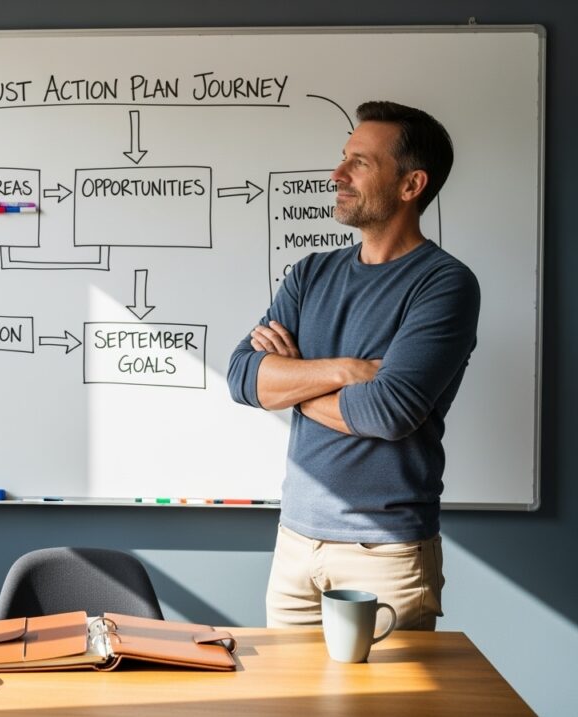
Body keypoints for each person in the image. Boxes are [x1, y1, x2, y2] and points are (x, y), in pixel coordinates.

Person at [227, 101, 480, 630]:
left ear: (411, 186)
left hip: (384, 552)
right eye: (343, 158)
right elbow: (242, 377)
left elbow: (388, 412)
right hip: (295, 541)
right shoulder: (310, 273)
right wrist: (347, 370)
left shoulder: (444, 284)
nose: (336, 175)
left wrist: (292, 380)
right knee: (289, 710)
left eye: (360, 163)